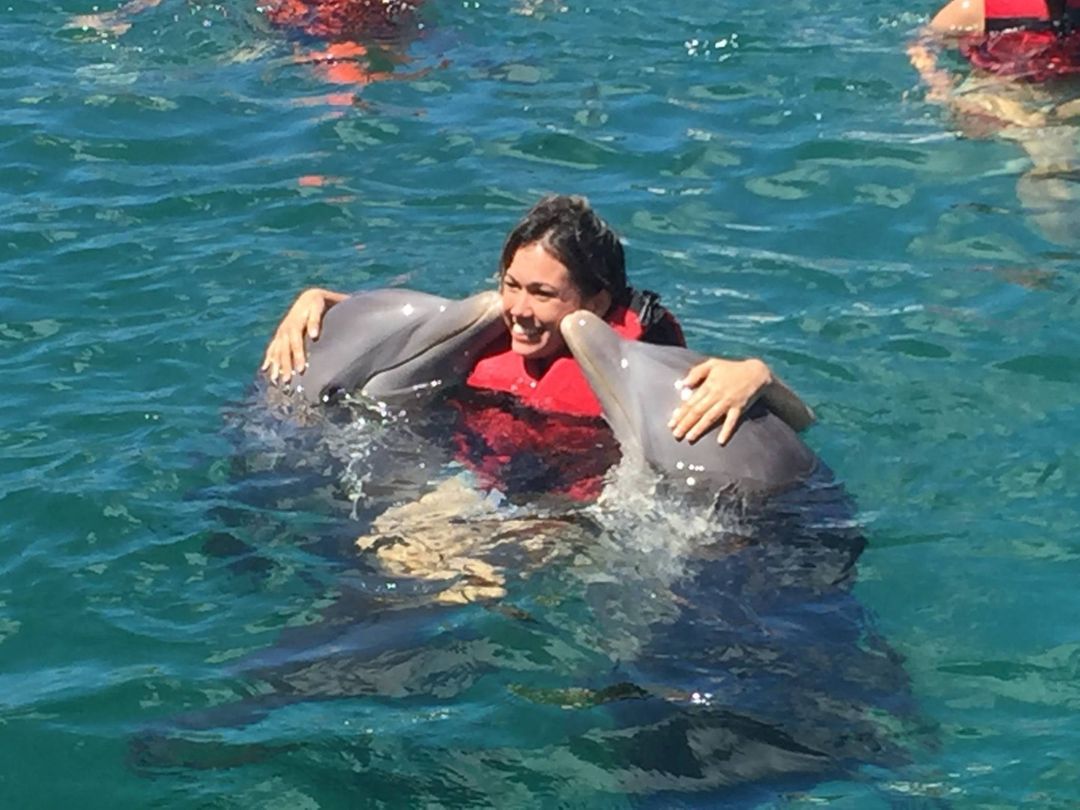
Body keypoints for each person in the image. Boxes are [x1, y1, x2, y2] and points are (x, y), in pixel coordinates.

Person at [262, 195, 815, 450]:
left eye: (544, 293)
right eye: (511, 285)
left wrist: (758, 375)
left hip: (561, 499)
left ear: (599, 301)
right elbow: (410, 328)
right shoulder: (491, 330)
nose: (517, 309)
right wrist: (319, 298)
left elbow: (795, 423)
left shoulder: (640, 358)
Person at [909, 0, 1080, 244]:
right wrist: (937, 82)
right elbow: (922, 41)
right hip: (997, 91)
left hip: (1067, 91)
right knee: (1049, 149)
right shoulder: (974, 9)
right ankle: (1061, 240)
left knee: (1050, 137)